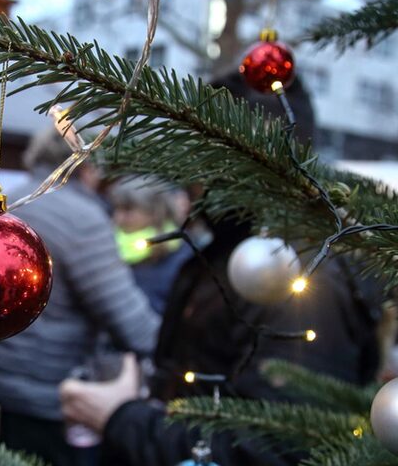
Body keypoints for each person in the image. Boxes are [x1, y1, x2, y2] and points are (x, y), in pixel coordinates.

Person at [59, 73, 382, 465]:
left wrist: (122, 418)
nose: (189, 177)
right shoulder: (223, 254)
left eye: (202, 152)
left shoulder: (298, 279)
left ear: (247, 154)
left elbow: (274, 449)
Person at [0, 128, 160, 466]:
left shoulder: (11, 203)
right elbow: (130, 323)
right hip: (48, 395)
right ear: (89, 165)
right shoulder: (82, 220)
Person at [109, 176, 192, 314]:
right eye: (116, 209)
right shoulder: (106, 247)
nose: (118, 218)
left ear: (155, 211)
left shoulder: (182, 254)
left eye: (128, 210)